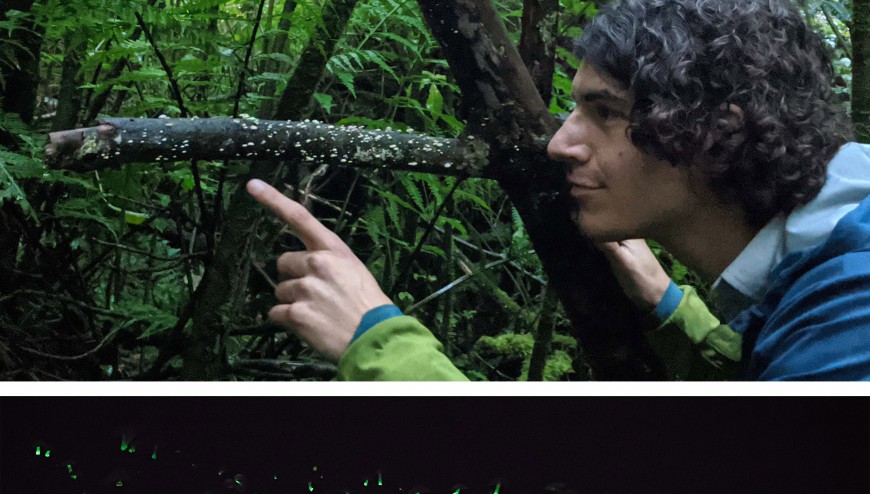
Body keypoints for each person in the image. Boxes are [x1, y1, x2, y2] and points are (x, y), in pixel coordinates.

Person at [246, 0, 870, 381]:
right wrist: (676, 313)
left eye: (604, 112)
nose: (559, 145)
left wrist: (380, 345)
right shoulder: (825, 267)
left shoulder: (855, 308)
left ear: (718, 131)